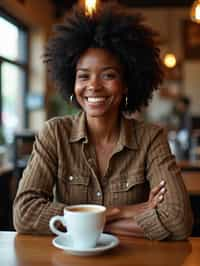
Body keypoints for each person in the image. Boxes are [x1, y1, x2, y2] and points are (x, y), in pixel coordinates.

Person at [13, 2, 193, 240]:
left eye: (108, 75)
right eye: (83, 76)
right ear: (72, 83)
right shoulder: (54, 133)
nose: (94, 86)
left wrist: (85, 224)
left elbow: (178, 221)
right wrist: (121, 212)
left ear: (127, 83)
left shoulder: (151, 138)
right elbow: (24, 214)